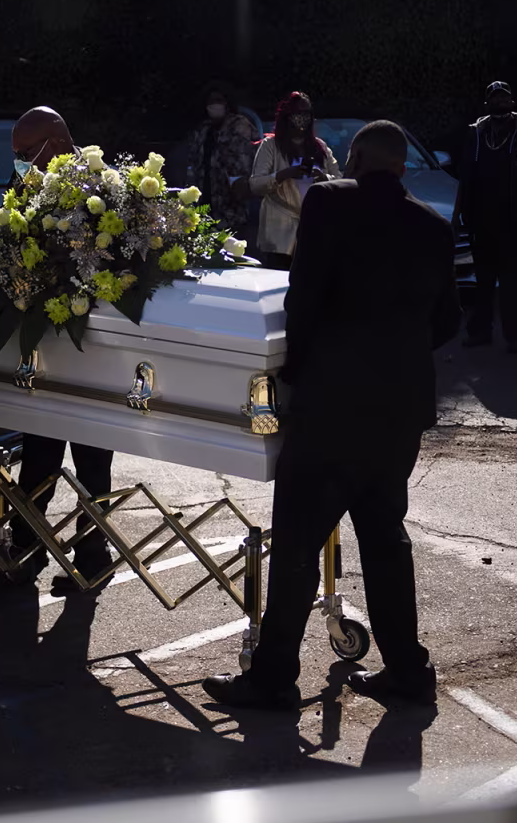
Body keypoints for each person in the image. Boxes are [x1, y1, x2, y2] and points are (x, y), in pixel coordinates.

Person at [204, 121, 460, 709]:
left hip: (332, 405)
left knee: (297, 543)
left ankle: (272, 679)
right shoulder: (433, 226)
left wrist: (296, 370)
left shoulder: (329, 202)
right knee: (384, 539)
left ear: (361, 157)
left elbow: (304, 294)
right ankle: (407, 671)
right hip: (398, 409)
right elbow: (448, 320)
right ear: (400, 166)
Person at [6, 107, 115, 589]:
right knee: (38, 455)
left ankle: (93, 552)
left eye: (27, 154)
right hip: (47, 349)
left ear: (54, 142)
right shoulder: (28, 193)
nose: (22, 165)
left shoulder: (106, 190)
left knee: (93, 461)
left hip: (94, 352)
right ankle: (27, 544)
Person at [452, 81, 517, 352]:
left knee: (512, 282)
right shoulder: (475, 134)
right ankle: (480, 331)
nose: (500, 104)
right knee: (482, 281)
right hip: (481, 222)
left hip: (515, 222)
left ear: (512, 102)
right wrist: (457, 214)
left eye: (504, 99)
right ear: (487, 104)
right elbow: (464, 178)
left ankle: (514, 336)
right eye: (495, 100)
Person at [249, 91, 341, 269]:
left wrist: (324, 178)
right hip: (279, 234)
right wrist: (284, 174)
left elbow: (339, 180)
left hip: (315, 227)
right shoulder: (270, 146)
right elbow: (255, 185)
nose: (302, 118)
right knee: (279, 280)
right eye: (298, 113)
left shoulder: (319, 146)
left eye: (307, 114)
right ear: (287, 116)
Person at [183, 81, 257, 235]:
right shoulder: (203, 129)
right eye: (211, 102)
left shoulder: (239, 125)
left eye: (219, 101)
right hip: (206, 203)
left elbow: (243, 163)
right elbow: (194, 162)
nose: (214, 105)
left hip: (231, 208)